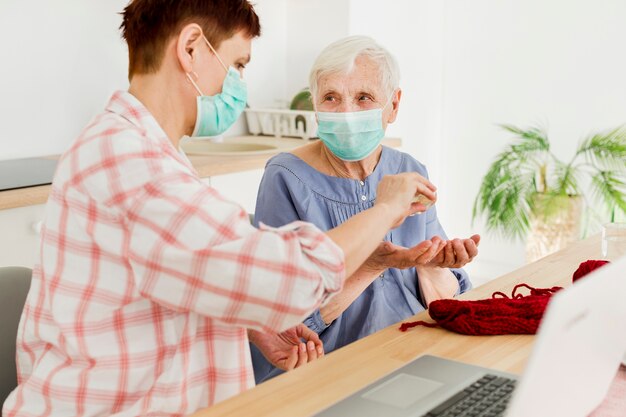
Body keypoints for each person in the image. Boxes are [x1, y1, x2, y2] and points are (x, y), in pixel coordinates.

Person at [2, 4, 438, 417]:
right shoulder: (132, 165)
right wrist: (385, 208)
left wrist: (252, 325)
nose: (238, 86)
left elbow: (174, 275)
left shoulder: (140, 149)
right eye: (238, 65)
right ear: (191, 48)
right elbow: (290, 277)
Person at [251, 35, 480, 383]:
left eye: (363, 98)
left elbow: (446, 298)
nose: (346, 114)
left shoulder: (409, 170)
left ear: (393, 105)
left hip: (413, 353)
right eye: (331, 98)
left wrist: (436, 265)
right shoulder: (285, 177)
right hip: (329, 370)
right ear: (314, 104)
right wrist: (373, 265)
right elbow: (281, 323)